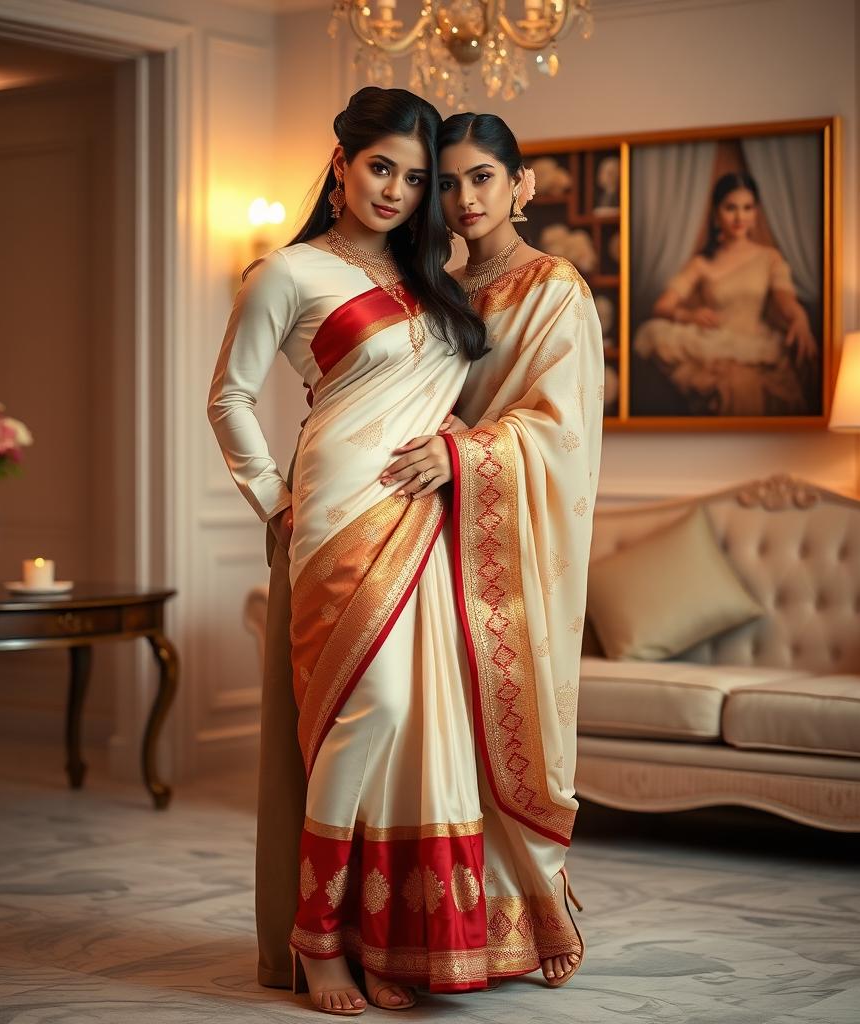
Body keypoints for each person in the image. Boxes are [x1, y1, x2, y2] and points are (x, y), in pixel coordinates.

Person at [207, 86, 486, 1016]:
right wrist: (275, 501)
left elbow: (453, 394)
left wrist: (459, 451)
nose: (398, 192)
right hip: (333, 511)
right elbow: (229, 398)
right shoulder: (287, 274)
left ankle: (376, 938)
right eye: (382, 168)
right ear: (340, 164)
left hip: (427, 521)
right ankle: (314, 939)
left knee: (405, 727)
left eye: (415, 179)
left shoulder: (435, 276)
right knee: (371, 709)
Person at [384, 111, 604, 993]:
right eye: (445, 182)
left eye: (481, 178)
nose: (462, 197)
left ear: (523, 185)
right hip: (413, 526)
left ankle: (535, 898)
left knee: (493, 713)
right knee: (422, 728)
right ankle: (422, 923)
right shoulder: (427, 284)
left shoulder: (558, 289)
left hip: (499, 531)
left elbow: (559, 432)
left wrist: (463, 454)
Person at [633, 171, 817, 416]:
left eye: (747, 208)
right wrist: (690, 315)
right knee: (654, 334)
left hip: (754, 347)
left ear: (756, 213)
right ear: (716, 214)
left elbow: (786, 301)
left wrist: (799, 317)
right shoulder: (703, 263)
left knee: (742, 387)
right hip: (711, 346)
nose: (740, 216)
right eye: (731, 208)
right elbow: (662, 306)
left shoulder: (769, 258)